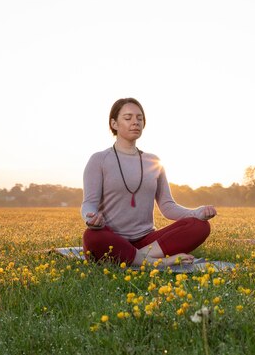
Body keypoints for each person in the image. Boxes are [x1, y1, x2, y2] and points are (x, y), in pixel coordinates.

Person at [81, 97, 216, 267]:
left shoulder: (153, 161)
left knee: (200, 227)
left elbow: (167, 207)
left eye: (139, 118)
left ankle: (136, 258)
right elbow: (89, 204)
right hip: (112, 238)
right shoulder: (99, 159)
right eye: (128, 118)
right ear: (114, 124)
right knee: (92, 237)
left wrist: (197, 212)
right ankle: (157, 263)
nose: (135, 122)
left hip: (149, 243)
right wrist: (91, 218)